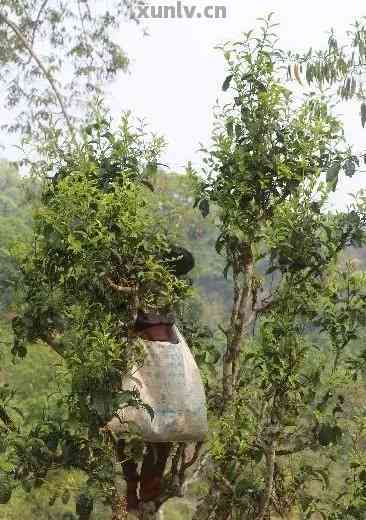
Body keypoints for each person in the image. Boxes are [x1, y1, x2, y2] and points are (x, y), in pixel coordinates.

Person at [117, 246, 196, 512]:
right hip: (157, 356)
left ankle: (140, 493)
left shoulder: (153, 294)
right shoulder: (150, 293)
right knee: (139, 425)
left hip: (158, 357)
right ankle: (140, 493)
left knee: (135, 425)